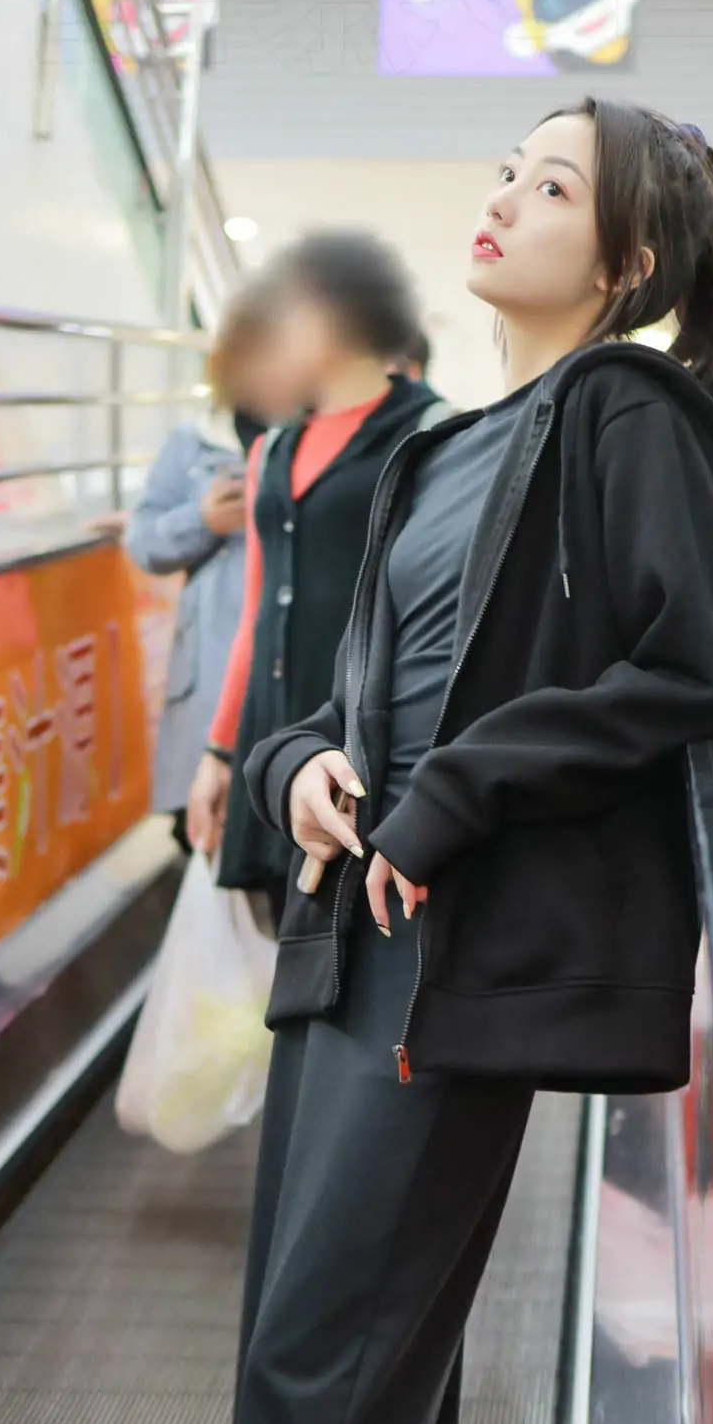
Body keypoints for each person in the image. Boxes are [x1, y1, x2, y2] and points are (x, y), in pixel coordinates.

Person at [77, 100, 713, 1424]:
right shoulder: (451, 446)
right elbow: (344, 699)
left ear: (629, 261)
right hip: (352, 942)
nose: (505, 198)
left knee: (328, 1352)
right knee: (352, 1357)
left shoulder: (624, 417)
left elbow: (697, 667)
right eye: (508, 171)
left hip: (450, 967)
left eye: (554, 185)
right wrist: (304, 770)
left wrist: (456, 790)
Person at [185, 233, 442, 921]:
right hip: (272, 751)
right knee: (275, 939)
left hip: (363, 757)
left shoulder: (432, 433)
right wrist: (219, 749)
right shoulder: (273, 448)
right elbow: (257, 614)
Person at [116, 291, 271, 849]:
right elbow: (144, 542)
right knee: (202, 836)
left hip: (280, 678)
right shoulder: (193, 443)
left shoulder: (312, 436)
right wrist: (202, 520)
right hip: (208, 681)